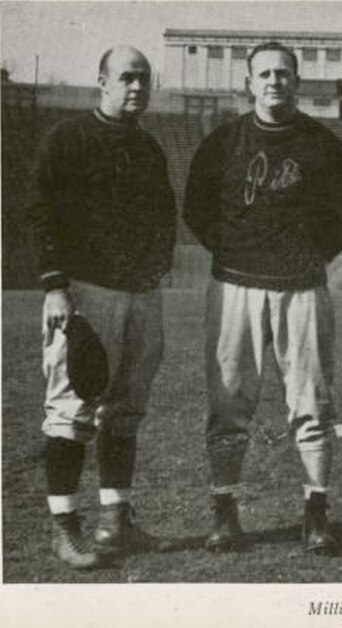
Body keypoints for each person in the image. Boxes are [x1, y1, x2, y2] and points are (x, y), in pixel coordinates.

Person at [184, 41, 342, 554]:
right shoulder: (222, 143)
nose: (274, 82)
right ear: (248, 82)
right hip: (235, 286)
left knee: (312, 403)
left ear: (297, 82)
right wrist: (239, 252)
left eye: (283, 74)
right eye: (264, 74)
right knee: (228, 402)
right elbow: (197, 211)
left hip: (302, 289)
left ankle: (316, 515)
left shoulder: (323, 145)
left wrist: (310, 259)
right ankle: (225, 515)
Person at [25, 45, 176, 569]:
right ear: (102, 82)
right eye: (127, 78)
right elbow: (40, 212)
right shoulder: (68, 139)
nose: (137, 88)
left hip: (141, 294)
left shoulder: (149, 148)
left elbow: (163, 217)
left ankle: (116, 521)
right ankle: (65, 528)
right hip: (86, 293)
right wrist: (55, 286)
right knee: (72, 409)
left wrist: (155, 272)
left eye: (144, 80)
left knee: (127, 409)